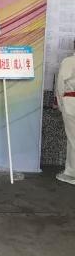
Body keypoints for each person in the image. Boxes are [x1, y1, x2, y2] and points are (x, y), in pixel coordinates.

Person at [55, 45, 75, 185]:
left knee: (73, 139)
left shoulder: (68, 61)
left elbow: (60, 86)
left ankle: (71, 173)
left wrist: (61, 105)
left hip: (71, 102)